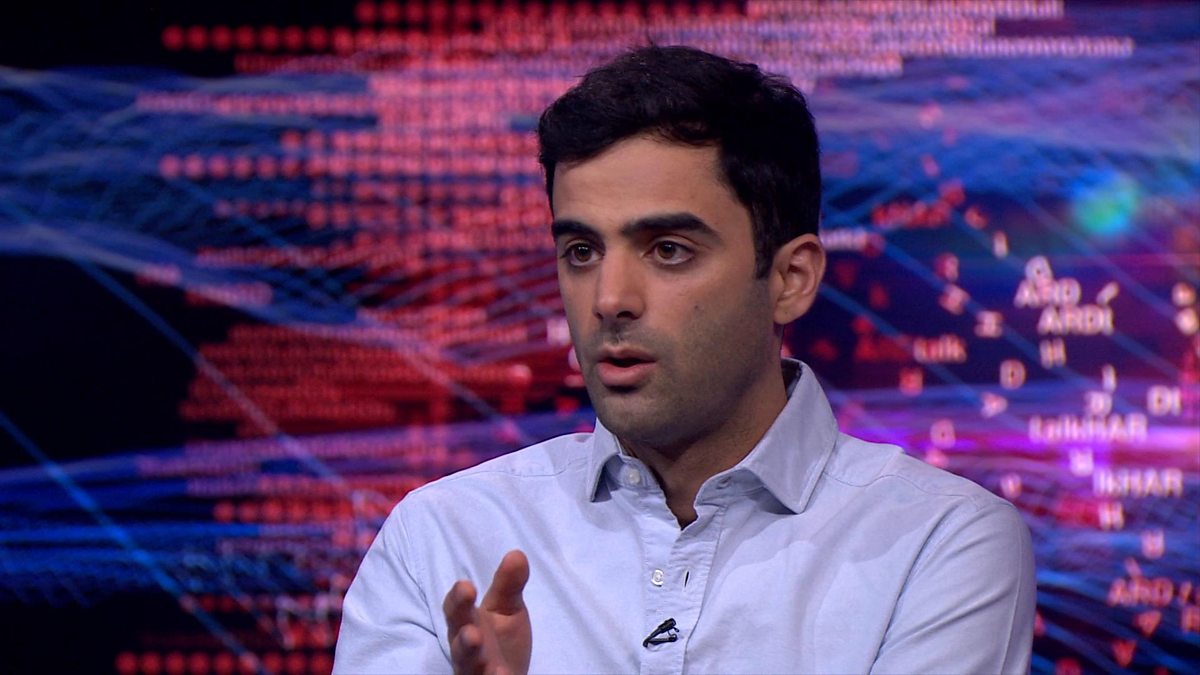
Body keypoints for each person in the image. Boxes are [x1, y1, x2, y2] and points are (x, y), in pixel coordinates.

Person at [334, 45, 1035, 674]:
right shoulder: (442, 538)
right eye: (581, 251)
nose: (609, 299)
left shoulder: (938, 543)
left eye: (668, 250)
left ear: (790, 278)